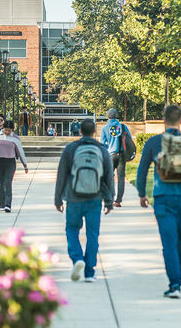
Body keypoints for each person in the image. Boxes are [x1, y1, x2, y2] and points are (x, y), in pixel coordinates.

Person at [136, 104, 181, 299]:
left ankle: (174, 283)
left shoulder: (154, 142)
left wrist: (142, 194)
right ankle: (180, 275)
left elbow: (141, 170)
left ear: (164, 120)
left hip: (163, 198)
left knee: (168, 242)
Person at [54, 118, 114, 283]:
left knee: (72, 229)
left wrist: (58, 198)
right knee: (92, 234)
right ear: (94, 132)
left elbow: (62, 175)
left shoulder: (71, 149)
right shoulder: (102, 151)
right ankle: (89, 272)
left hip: (74, 198)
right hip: (95, 198)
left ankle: (77, 258)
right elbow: (109, 178)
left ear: (80, 131)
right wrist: (109, 201)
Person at [0, 120, 28, 213]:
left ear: (12, 130)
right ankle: (0, 204)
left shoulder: (15, 138)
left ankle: (8, 204)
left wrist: (25, 164)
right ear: (3, 128)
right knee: (1, 183)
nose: (7, 132)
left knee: (8, 182)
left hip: (10, 162)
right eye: (6, 130)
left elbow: (20, 152)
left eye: (9, 130)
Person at [100, 108, 131, 208]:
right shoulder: (123, 126)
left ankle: (109, 198)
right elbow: (129, 139)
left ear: (108, 117)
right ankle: (118, 201)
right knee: (121, 177)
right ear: (116, 116)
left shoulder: (104, 128)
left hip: (110, 155)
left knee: (108, 178)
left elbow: (102, 144)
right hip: (121, 155)